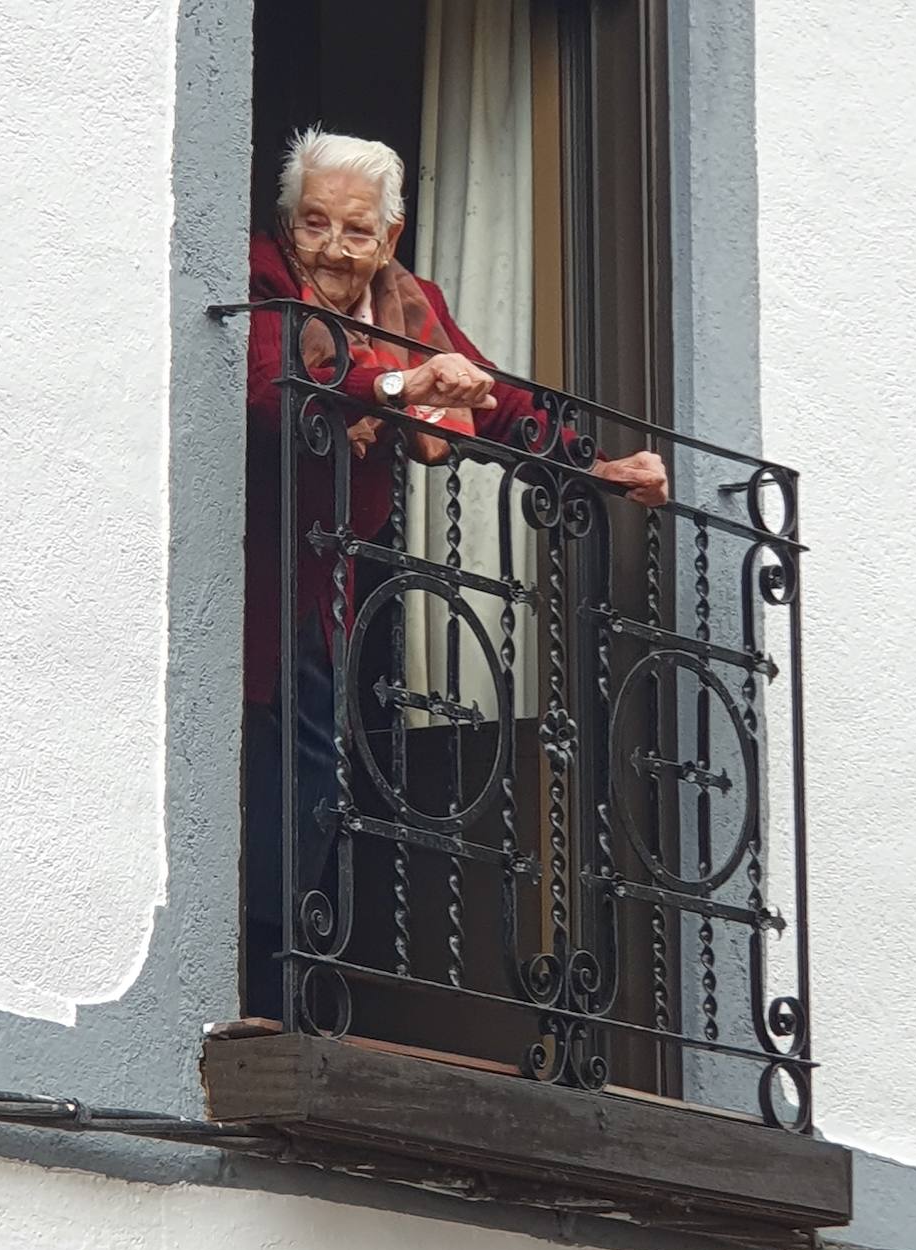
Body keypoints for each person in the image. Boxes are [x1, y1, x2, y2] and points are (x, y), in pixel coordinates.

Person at [244, 128, 668, 1018]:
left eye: (356, 230)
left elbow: (496, 401)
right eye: (314, 223)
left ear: (389, 237)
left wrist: (596, 467)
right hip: (249, 570)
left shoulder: (410, 304)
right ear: (287, 225)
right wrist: (400, 390)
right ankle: (249, 973)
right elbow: (271, 382)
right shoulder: (260, 278)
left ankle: (278, 975)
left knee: (314, 766)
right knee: (270, 758)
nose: (333, 248)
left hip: (325, 581)